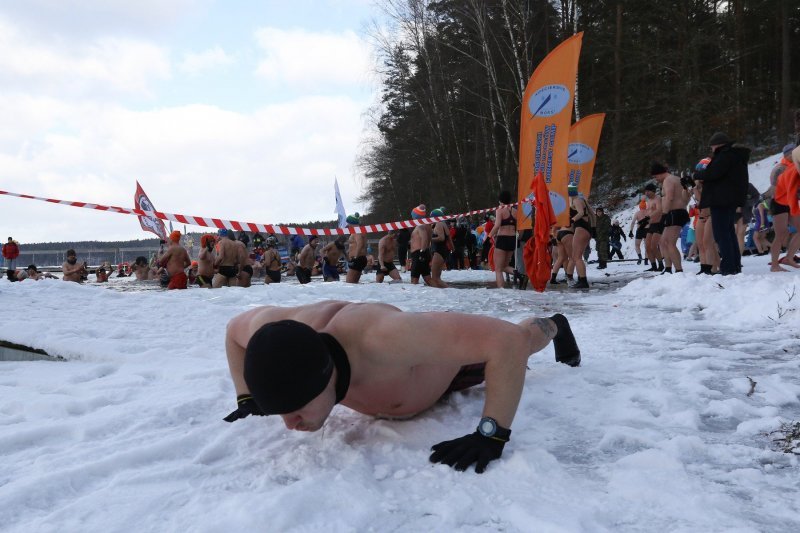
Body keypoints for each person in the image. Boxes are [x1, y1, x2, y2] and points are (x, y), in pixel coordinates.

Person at [222, 300, 582, 473]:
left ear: (325, 375)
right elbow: (232, 332)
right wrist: (247, 395)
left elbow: (505, 343)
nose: (290, 424)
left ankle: (554, 325)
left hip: (440, 363)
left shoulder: (385, 339)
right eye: (279, 411)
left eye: (296, 408)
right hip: (409, 368)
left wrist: (492, 432)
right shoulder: (272, 331)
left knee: (521, 335)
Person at [694, 132, 750, 276]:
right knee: (729, 233)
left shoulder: (725, 156)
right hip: (730, 199)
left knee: (722, 234)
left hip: (721, 200)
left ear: (718, 145)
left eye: (712, 146)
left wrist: (697, 175)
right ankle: (734, 265)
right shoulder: (736, 156)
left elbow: (713, 174)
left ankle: (729, 267)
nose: (711, 149)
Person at [652, 163, 690, 273]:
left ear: (660, 173)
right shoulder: (677, 179)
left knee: (669, 242)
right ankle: (668, 268)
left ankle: (679, 270)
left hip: (674, 213)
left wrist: (664, 215)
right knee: (663, 241)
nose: (656, 179)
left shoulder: (668, 180)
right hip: (677, 212)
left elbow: (669, 197)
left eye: (655, 177)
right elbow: (685, 198)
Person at [769, 151, 800, 271]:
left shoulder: (793, 166)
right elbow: (777, 187)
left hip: (788, 203)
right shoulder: (781, 168)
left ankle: (789, 258)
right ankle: (774, 265)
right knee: (780, 234)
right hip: (779, 203)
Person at [487, 192, 518, 288]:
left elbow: (497, 225)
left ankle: (501, 290)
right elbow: (517, 227)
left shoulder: (500, 210)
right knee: (504, 266)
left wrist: (489, 236)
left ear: (500, 200)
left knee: (498, 269)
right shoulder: (515, 211)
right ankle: (521, 275)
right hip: (512, 239)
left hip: (502, 239)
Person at [568, 184, 592, 288]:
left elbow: (581, 213)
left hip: (581, 228)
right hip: (584, 228)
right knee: (576, 256)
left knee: (576, 257)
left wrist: (572, 220)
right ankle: (581, 279)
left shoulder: (576, 200)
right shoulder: (580, 199)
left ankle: (583, 281)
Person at [408, 205, 434, 286]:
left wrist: (422, 252)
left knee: (414, 281)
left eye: (412, 215)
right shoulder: (427, 225)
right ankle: (443, 290)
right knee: (428, 279)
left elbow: (425, 238)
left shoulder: (420, 225)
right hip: (424, 253)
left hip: (419, 254)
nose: (412, 217)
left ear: (415, 215)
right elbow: (427, 238)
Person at [429, 208, 451, 288]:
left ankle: (450, 290)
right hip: (443, 251)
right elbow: (449, 238)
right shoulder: (444, 224)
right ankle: (445, 291)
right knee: (437, 278)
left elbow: (441, 238)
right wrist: (452, 248)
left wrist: (430, 239)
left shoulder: (438, 224)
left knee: (435, 278)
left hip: (438, 251)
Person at [345, 214, 367, 283]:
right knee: (355, 284)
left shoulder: (357, 231)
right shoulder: (360, 231)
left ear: (351, 222)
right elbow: (356, 244)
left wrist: (355, 257)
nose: (347, 225)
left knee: (349, 283)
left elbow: (360, 244)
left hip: (358, 259)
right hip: (360, 258)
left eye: (348, 222)